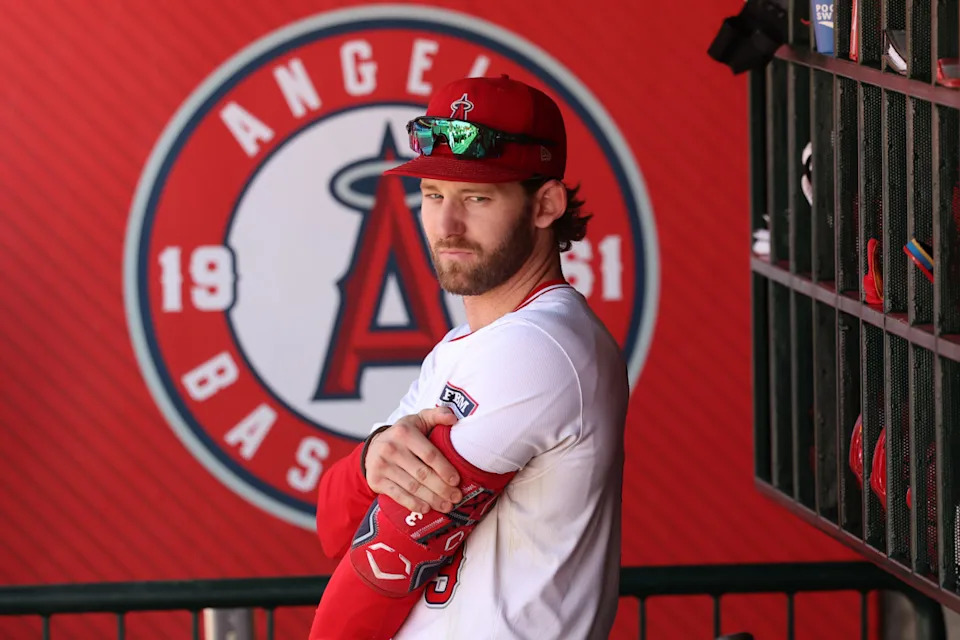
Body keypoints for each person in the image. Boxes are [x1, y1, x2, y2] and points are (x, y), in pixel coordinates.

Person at [309, 74, 629, 640]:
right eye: (433, 195)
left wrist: (370, 473)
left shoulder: (538, 348)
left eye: (477, 198)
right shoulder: (459, 350)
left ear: (546, 204)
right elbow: (335, 525)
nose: (446, 225)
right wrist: (369, 463)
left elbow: (382, 565)